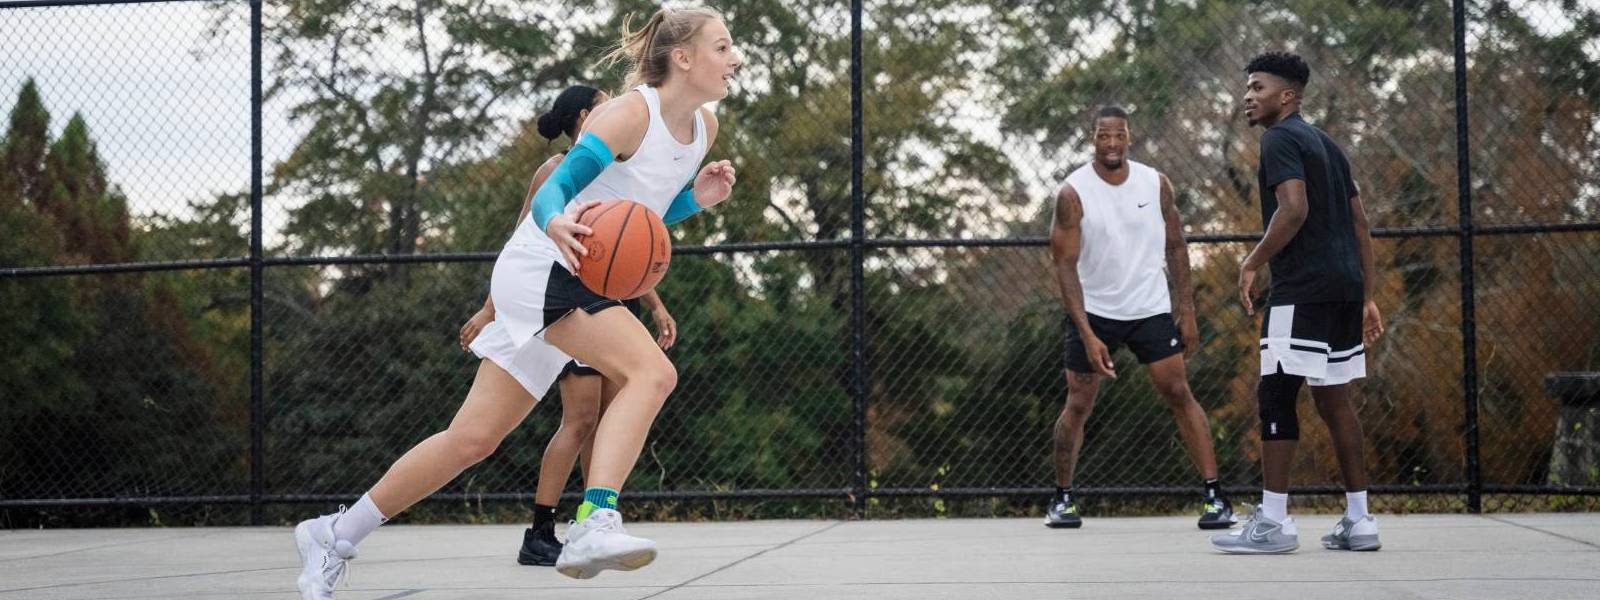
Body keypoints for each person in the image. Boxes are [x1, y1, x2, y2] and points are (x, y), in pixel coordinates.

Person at [293, 7, 741, 596]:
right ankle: (593, 521)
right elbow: (557, 182)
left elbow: (638, 214)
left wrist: (696, 203)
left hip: (573, 281)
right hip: (542, 269)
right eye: (724, 45)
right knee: (651, 373)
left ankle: (333, 534)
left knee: (472, 439)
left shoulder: (703, 128)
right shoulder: (630, 113)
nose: (735, 58)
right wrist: (554, 219)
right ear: (683, 58)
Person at [455, 84, 680, 567]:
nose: (619, 109)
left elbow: (626, 254)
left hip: (609, 302)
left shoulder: (619, 164)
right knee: (578, 420)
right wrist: (489, 309)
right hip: (567, 299)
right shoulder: (557, 170)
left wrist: (656, 305)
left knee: (606, 417)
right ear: (586, 114)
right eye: (606, 103)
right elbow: (525, 241)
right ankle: (543, 527)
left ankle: (594, 515)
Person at [1211, 50, 1384, 554]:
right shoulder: (1328, 145)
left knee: (1276, 394)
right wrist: (1366, 296)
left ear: (1287, 96)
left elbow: (1293, 209)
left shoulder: (1279, 139)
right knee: (1334, 400)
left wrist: (1251, 262)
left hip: (1302, 288)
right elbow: (1359, 224)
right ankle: (1360, 519)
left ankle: (1274, 523)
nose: (1248, 96)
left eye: (1258, 87)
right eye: (1247, 87)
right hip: (1344, 287)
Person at [1046, 106, 1234, 530]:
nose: (1111, 143)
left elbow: (1178, 246)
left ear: (1130, 136)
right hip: (1094, 312)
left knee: (1179, 392)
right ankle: (1062, 498)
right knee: (1078, 402)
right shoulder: (1072, 192)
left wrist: (1185, 310)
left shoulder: (1156, 183)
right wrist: (1087, 333)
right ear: (1092, 138)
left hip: (1149, 308)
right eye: (1103, 136)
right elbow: (1064, 265)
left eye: (1119, 135)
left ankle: (1214, 496)